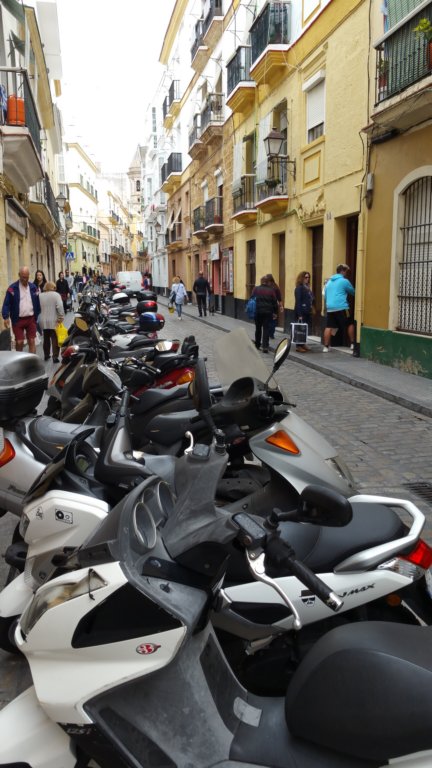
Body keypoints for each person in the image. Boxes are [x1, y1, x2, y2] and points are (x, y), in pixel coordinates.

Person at [2, 266, 41, 353]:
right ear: (19, 275)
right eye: (23, 277)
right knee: (19, 342)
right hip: (18, 319)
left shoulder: (33, 287)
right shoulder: (12, 288)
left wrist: (37, 314)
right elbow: (6, 303)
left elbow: (37, 302)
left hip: (31, 318)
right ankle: (19, 360)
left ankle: (32, 360)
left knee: (32, 340)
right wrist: (6, 317)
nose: (25, 279)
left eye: (27, 277)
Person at [322, 263, 355, 352]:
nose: (346, 274)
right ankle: (353, 344)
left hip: (330, 308)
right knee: (350, 323)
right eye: (346, 271)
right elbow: (353, 292)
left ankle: (325, 347)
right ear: (343, 271)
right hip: (342, 307)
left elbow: (325, 296)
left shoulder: (329, 282)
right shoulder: (344, 281)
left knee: (329, 326)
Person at [251, 275, 278, 353]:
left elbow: (252, 298)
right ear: (268, 282)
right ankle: (265, 347)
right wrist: (275, 312)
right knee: (266, 329)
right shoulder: (271, 290)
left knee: (258, 328)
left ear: (261, 281)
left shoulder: (256, 289)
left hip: (258, 312)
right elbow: (274, 302)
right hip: (268, 312)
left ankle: (257, 345)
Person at [39, 281, 64, 363]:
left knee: (46, 338)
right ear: (53, 287)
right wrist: (61, 316)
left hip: (43, 319)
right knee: (55, 338)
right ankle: (55, 356)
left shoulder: (40, 295)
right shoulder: (56, 295)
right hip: (54, 319)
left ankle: (46, 355)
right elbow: (60, 306)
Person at [294, 270, 314, 353]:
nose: (307, 279)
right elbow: (298, 301)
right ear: (301, 278)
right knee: (300, 328)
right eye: (306, 277)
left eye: (308, 277)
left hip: (307, 311)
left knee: (305, 329)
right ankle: (298, 346)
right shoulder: (299, 288)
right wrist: (299, 314)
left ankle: (303, 344)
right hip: (301, 311)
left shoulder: (307, 288)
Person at [266, 274, 283, 339]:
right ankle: (271, 334)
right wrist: (281, 306)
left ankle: (268, 333)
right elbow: (279, 298)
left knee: (268, 320)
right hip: (274, 306)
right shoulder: (276, 287)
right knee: (273, 320)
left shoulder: (266, 287)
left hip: (267, 306)